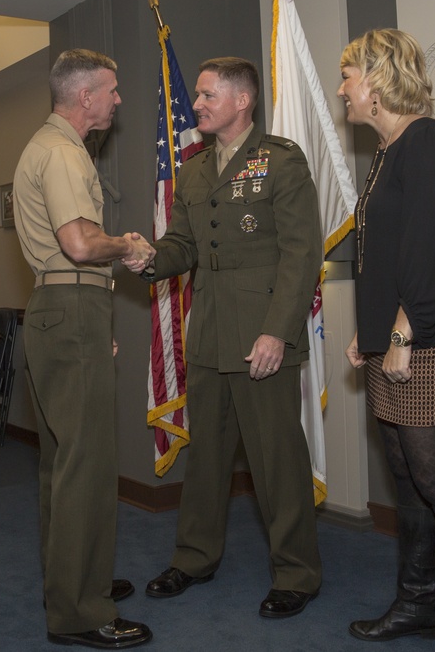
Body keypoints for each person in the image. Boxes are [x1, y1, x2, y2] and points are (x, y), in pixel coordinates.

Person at [131, 57, 323, 619]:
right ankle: (194, 558)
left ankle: (297, 573)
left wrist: (276, 332)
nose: (199, 104)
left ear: (243, 100)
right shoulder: (193, 171)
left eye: (210, 95)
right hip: (211, 331)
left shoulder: (281, 161)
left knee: (276, 459)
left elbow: (300, 254)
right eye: (200, 96)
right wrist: (146, 258)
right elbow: (183, 247)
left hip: (263, 333)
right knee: (208, 457)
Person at [338, 29, 435, 652]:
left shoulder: (427, 140)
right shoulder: (387, 151)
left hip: (425, 337)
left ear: (375, 82)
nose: (344, 90)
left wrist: (402, 332)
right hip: (392, 336)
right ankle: (419, 606)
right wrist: (369, 330)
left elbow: (431, 251)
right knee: (405, 475)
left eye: (349, 76)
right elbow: (385, 253)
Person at [13, 48, 154, 649]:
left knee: (60, 463)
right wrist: (127, 246)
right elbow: (77, 243)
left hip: (62, 309)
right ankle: (79, 610)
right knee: (87, 465)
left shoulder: (43, 146)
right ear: (85, 98)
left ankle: (73, 581)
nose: (118, 99)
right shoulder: (66, 151)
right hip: (72, 307)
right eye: (112, 90)